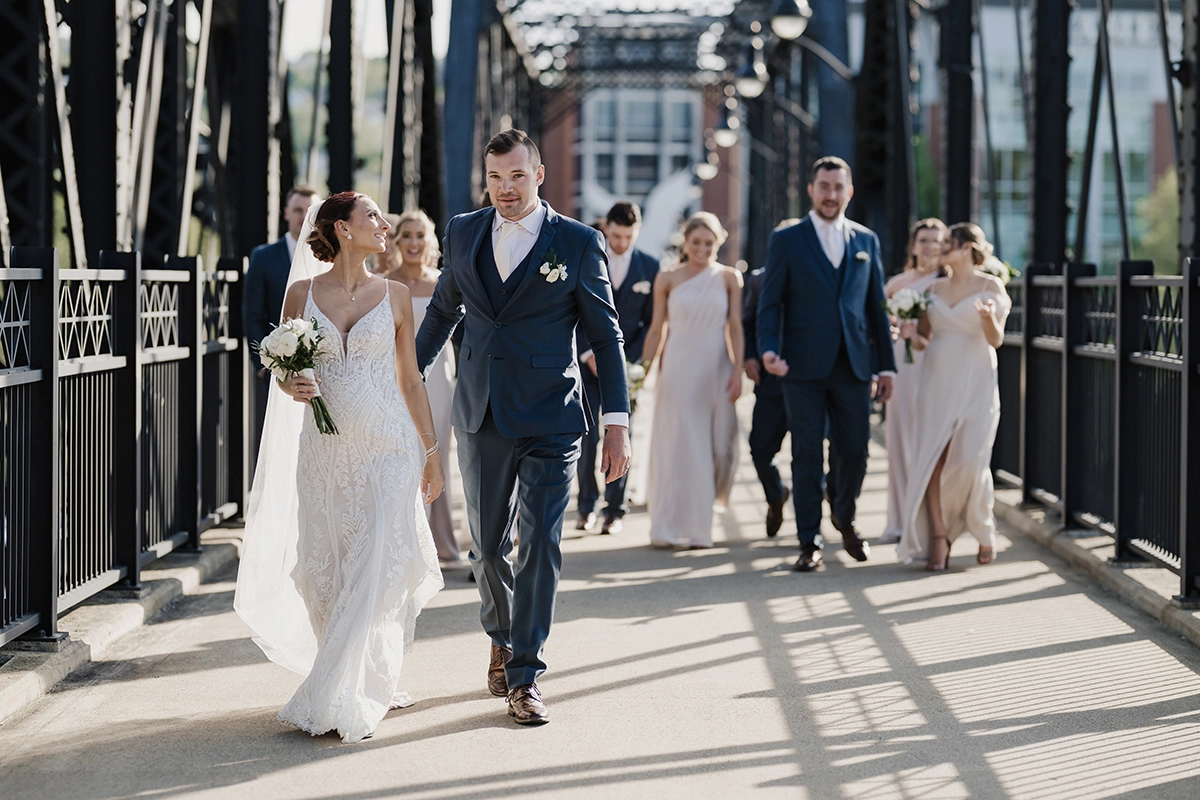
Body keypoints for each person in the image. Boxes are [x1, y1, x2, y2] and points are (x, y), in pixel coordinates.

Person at [414, 130, 630, 726]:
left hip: (552, 415)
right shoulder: (461, 230)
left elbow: (606, 337)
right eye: (494, 177)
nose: (505, 189)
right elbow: (442, 312)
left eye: (516, 176)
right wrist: (404, 379)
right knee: (486, 547)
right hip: (479, 411)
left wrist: (617, 422)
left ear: (539, 174)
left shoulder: (579, 243)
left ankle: (526, 673)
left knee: (541, 542)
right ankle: (501, 633)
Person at [234, 192, 444, 743]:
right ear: (342, 230)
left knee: (378, 561)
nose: (385, 224)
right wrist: (291, 383)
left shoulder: (396, 295)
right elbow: (285, 368)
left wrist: (429, 451)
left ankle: (339, 690)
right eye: (372, 216)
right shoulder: (300, 294)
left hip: (390, 447)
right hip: (325, 452)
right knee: (328, 569)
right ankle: (363, 670)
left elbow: (410, 379)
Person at [757, 156, 896, 572]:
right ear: (812, 190)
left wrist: (886, 367)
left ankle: (845, 515)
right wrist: (768, 348)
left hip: (854, 364)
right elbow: (771, 303)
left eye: (838, 188)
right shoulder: (787, 239)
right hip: (801, 365)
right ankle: (809, 541)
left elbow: (876, 307)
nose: (831, 195)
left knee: (855, 449)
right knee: (805, 454)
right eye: (824, 187)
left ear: (849, 192)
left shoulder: (866, 241)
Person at [897, 223, 1009, 570]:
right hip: (936, 379)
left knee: (971, 460)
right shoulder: (932, 289)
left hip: (976, 378)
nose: (941, 248)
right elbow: (923, 340)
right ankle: (939, 537)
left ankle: (981, 525)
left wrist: (989, 319)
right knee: (933, 458)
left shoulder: (991, 286)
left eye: (949, 243)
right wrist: (908, 333)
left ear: (967, 249)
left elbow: (996, 340)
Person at [641, 212, 743, 549]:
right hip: (678, 366)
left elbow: (735, 327)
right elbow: (658, 329)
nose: (702, 249)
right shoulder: (666, 278)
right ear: (685, 241)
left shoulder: (729, 278)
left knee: (710, 444)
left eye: (709, 243)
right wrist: (641, 371)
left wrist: (738, 370)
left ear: (719, 243)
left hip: (716, 367)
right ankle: (666, 525)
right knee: (677, 443)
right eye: (696, 242)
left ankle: (700, 527)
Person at [378, 209, 465, 569]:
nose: (414, 242)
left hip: (438, 381)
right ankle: (400, 544)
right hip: (392, 379)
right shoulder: (381, 283)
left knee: (435, 452)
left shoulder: (444, 283)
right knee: (398, 453)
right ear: (397, 242)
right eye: (407, 235)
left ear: (430, 242)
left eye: (420, 236)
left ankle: (440, 542)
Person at [575, 200, 660, 535]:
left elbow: (652, 323)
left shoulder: (650, 268)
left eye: (628, 237)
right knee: (585, 437)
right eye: (616, 235)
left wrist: (629, 362)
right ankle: (586, 506)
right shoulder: (589, 258)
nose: (621, 243)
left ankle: (615, 509)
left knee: (622, 436)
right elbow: (574, 312)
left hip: (626, 371)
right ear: (606, 229)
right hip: (586, 367)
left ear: (636, 232)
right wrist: (587, 354)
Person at [879, 218, 948, 545]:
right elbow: (879, 323)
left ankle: (928, 520)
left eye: (937, 240)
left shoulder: (946, 283)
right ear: (913, 245)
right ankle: (899, 519)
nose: (930, 246)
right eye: (924, 240)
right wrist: (895, 331)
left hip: (936, 362)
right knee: (899, 438)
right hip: (904, 365)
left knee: (929, 438)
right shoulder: (896, 283)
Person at [244, 185, 320, 457]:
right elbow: (253, 315)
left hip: (324, 372)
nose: (303, 217)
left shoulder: (331, 258)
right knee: (281, 441)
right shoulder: (263, 257)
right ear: (286, 213)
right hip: (280, 370)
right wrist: (265, 364)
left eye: (309, 211)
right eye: (298, 210)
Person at [744, 218, 800, 538]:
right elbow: (748, 321)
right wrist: (750, 356)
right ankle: (776, 495)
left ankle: (816, 522)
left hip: (812, 381)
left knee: (812, 452)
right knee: (759, 449)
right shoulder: (758, 280)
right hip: (770, 382)